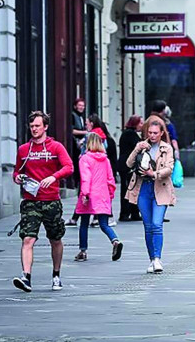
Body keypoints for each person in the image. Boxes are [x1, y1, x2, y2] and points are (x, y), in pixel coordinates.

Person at [12, 111, 74, 293]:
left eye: (38, 126)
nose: (34, 129)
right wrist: (18, 178)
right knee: (28, 239)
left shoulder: (55, 147)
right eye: (32, 126)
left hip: (51, 200)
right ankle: (26, 277)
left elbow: (68, 167)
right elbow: (16, 172)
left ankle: (56, 275)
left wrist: (54, 177)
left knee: (55, 239)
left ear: (45, 127)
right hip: (30, 200)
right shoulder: (24, 150)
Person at [125, 115, 176, 273]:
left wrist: (153, 173)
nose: (152, 135)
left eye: (155, 133)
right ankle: (151, 259)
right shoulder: (142, 146)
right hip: (143, 189)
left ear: (161, 133)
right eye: (150, 132)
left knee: (156, 224)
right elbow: (128, 163)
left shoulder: (166, 148)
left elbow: (169, 168)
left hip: (160, 187)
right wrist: (137, 149)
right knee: (148, 227)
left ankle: (157, 259)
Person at [74, 133, 123, 262]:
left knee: (84, 223)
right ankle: (115, 241)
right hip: (103, 194)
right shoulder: (105, 160)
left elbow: (86, 178)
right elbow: (110, 179)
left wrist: (85, 194)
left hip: (90, 194)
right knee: (104, 224)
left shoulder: (85, 159)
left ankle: (83, 251)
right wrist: (110, 194)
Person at [66, 98, 87, 226]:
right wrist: (85, 132)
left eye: (83, 106)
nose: (81, 107)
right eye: (79, 105)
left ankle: (76, 217)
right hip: (76, 150)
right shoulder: (74, 116)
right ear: (75, 106)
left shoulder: (80, 117)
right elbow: (72, 130)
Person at [118, 115, 143, 222]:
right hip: (127, 165)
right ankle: (126, 213)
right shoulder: (130, 134)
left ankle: (133, 212)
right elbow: (138, 147)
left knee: (131, 188)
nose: (142, 125)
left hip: (126, 164)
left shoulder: (128, 133)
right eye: (140, 123)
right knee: (128, 189)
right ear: (135, 123)